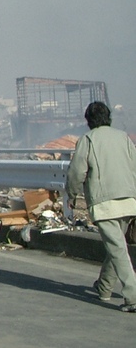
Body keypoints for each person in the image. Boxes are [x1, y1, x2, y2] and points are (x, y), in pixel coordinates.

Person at [66, 101, 136, 312]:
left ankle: (133, 297)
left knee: (117, 249)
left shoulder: (88, 139)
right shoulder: (123, 137)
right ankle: (104, 287)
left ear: (88, 121)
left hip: (104, 203)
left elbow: (77, 172)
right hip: (129, 201)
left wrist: (71, 194)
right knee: (116, 248)